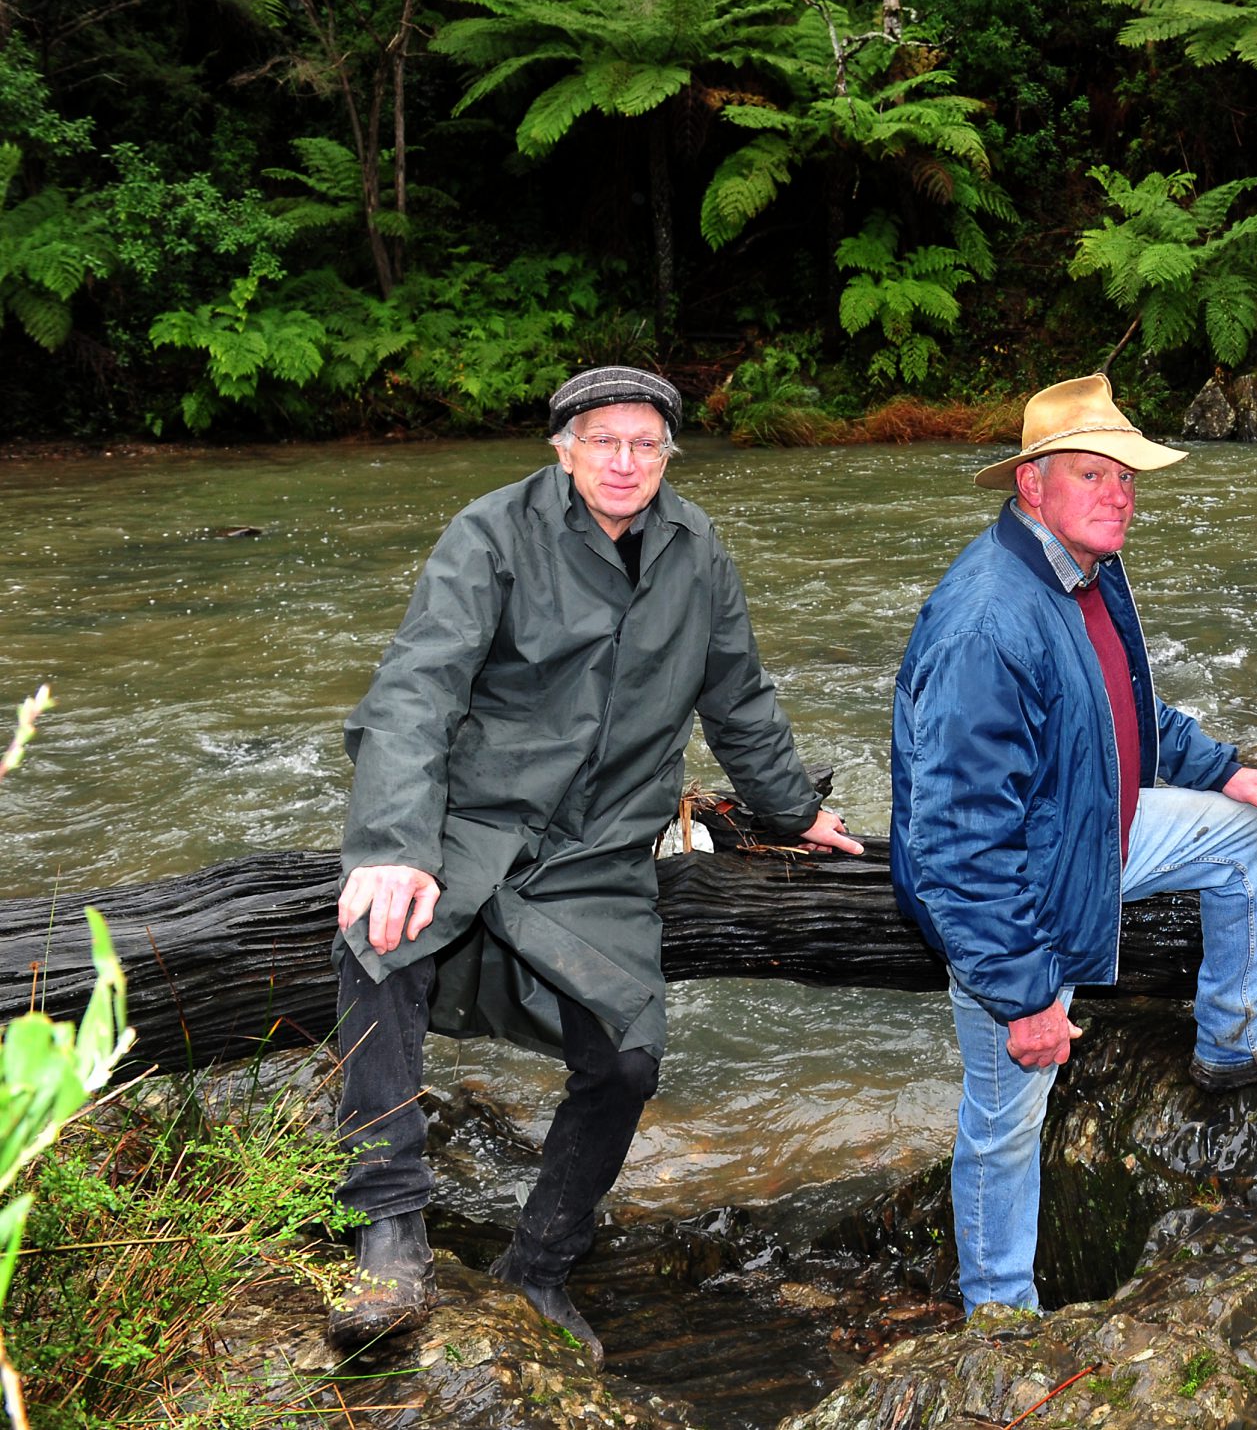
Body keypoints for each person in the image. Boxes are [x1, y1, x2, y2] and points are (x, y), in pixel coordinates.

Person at [327, 365, 862, 1354]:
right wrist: (396, 847)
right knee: (377, 941)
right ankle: (388, 1231)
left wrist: (793, 811)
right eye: (602, 440)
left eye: (644, 443)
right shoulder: (491, 533)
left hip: (602, 845)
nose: (624, 460)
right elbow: (415, 689)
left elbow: (738, 694)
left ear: (667, 454)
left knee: (626, 1056)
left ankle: (538, 1266)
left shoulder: (698, 550)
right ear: (563, 448)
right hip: (473, 818)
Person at [891, 374, 1257, 1317]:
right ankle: (998, 1322)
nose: (1119, 494)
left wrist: (1221, 768)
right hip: (1026, 892)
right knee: (1006, 1122)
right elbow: (958, 843)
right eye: (1092, 474)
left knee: (1240, 832)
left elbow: (1123, 707)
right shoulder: (988, 620)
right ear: (1032, 484)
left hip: (1095, 829)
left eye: (1126, 477)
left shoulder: (1086, 569)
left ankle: (1233, 1042)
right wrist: (1023, 995)